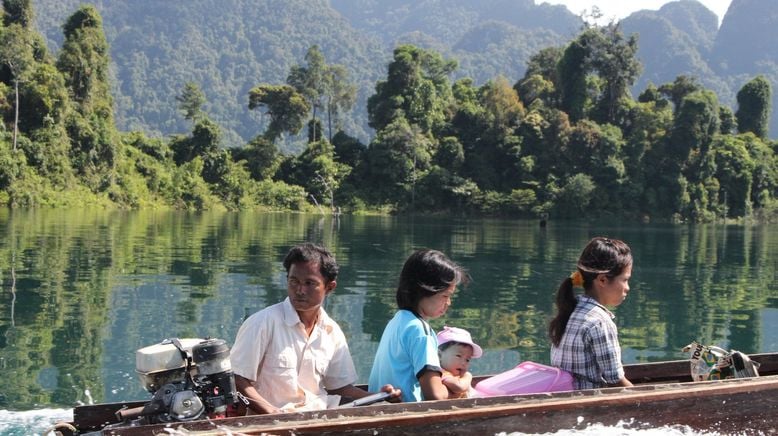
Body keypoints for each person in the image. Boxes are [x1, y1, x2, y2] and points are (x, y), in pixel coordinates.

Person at [230, 243, 400, 414]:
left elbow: (339, 389)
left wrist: (377, 396)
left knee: (388, 411)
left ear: (330, 287)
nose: (300, 290)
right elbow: (237, 379)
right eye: (293, 281)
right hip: (270, 424)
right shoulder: (262, 323)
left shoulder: (331, 332)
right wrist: (271, 412)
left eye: (310, 283)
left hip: (317, 417)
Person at [368, 249, 469, 402]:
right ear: (423, 290)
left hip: (378, 408)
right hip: (404, 415)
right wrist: (458, 392)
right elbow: (435, 396)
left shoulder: (397, 321)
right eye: (445, 296)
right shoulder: (421, 331)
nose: (448, 303)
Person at [549, 237, 635, 390]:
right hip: (585, 404)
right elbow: (615, 381)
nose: (628, 288)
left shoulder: (571, 309)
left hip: (563, 397)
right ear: (602, 280)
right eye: (625, 280)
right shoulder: (599, 322)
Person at [437, 326, 482, 399]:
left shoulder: (455, 375)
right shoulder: (442, 373)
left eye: (467, 359)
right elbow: (459, 387)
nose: (463, 363)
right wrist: (468, 376)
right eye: (458, 356)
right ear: (439, 355)